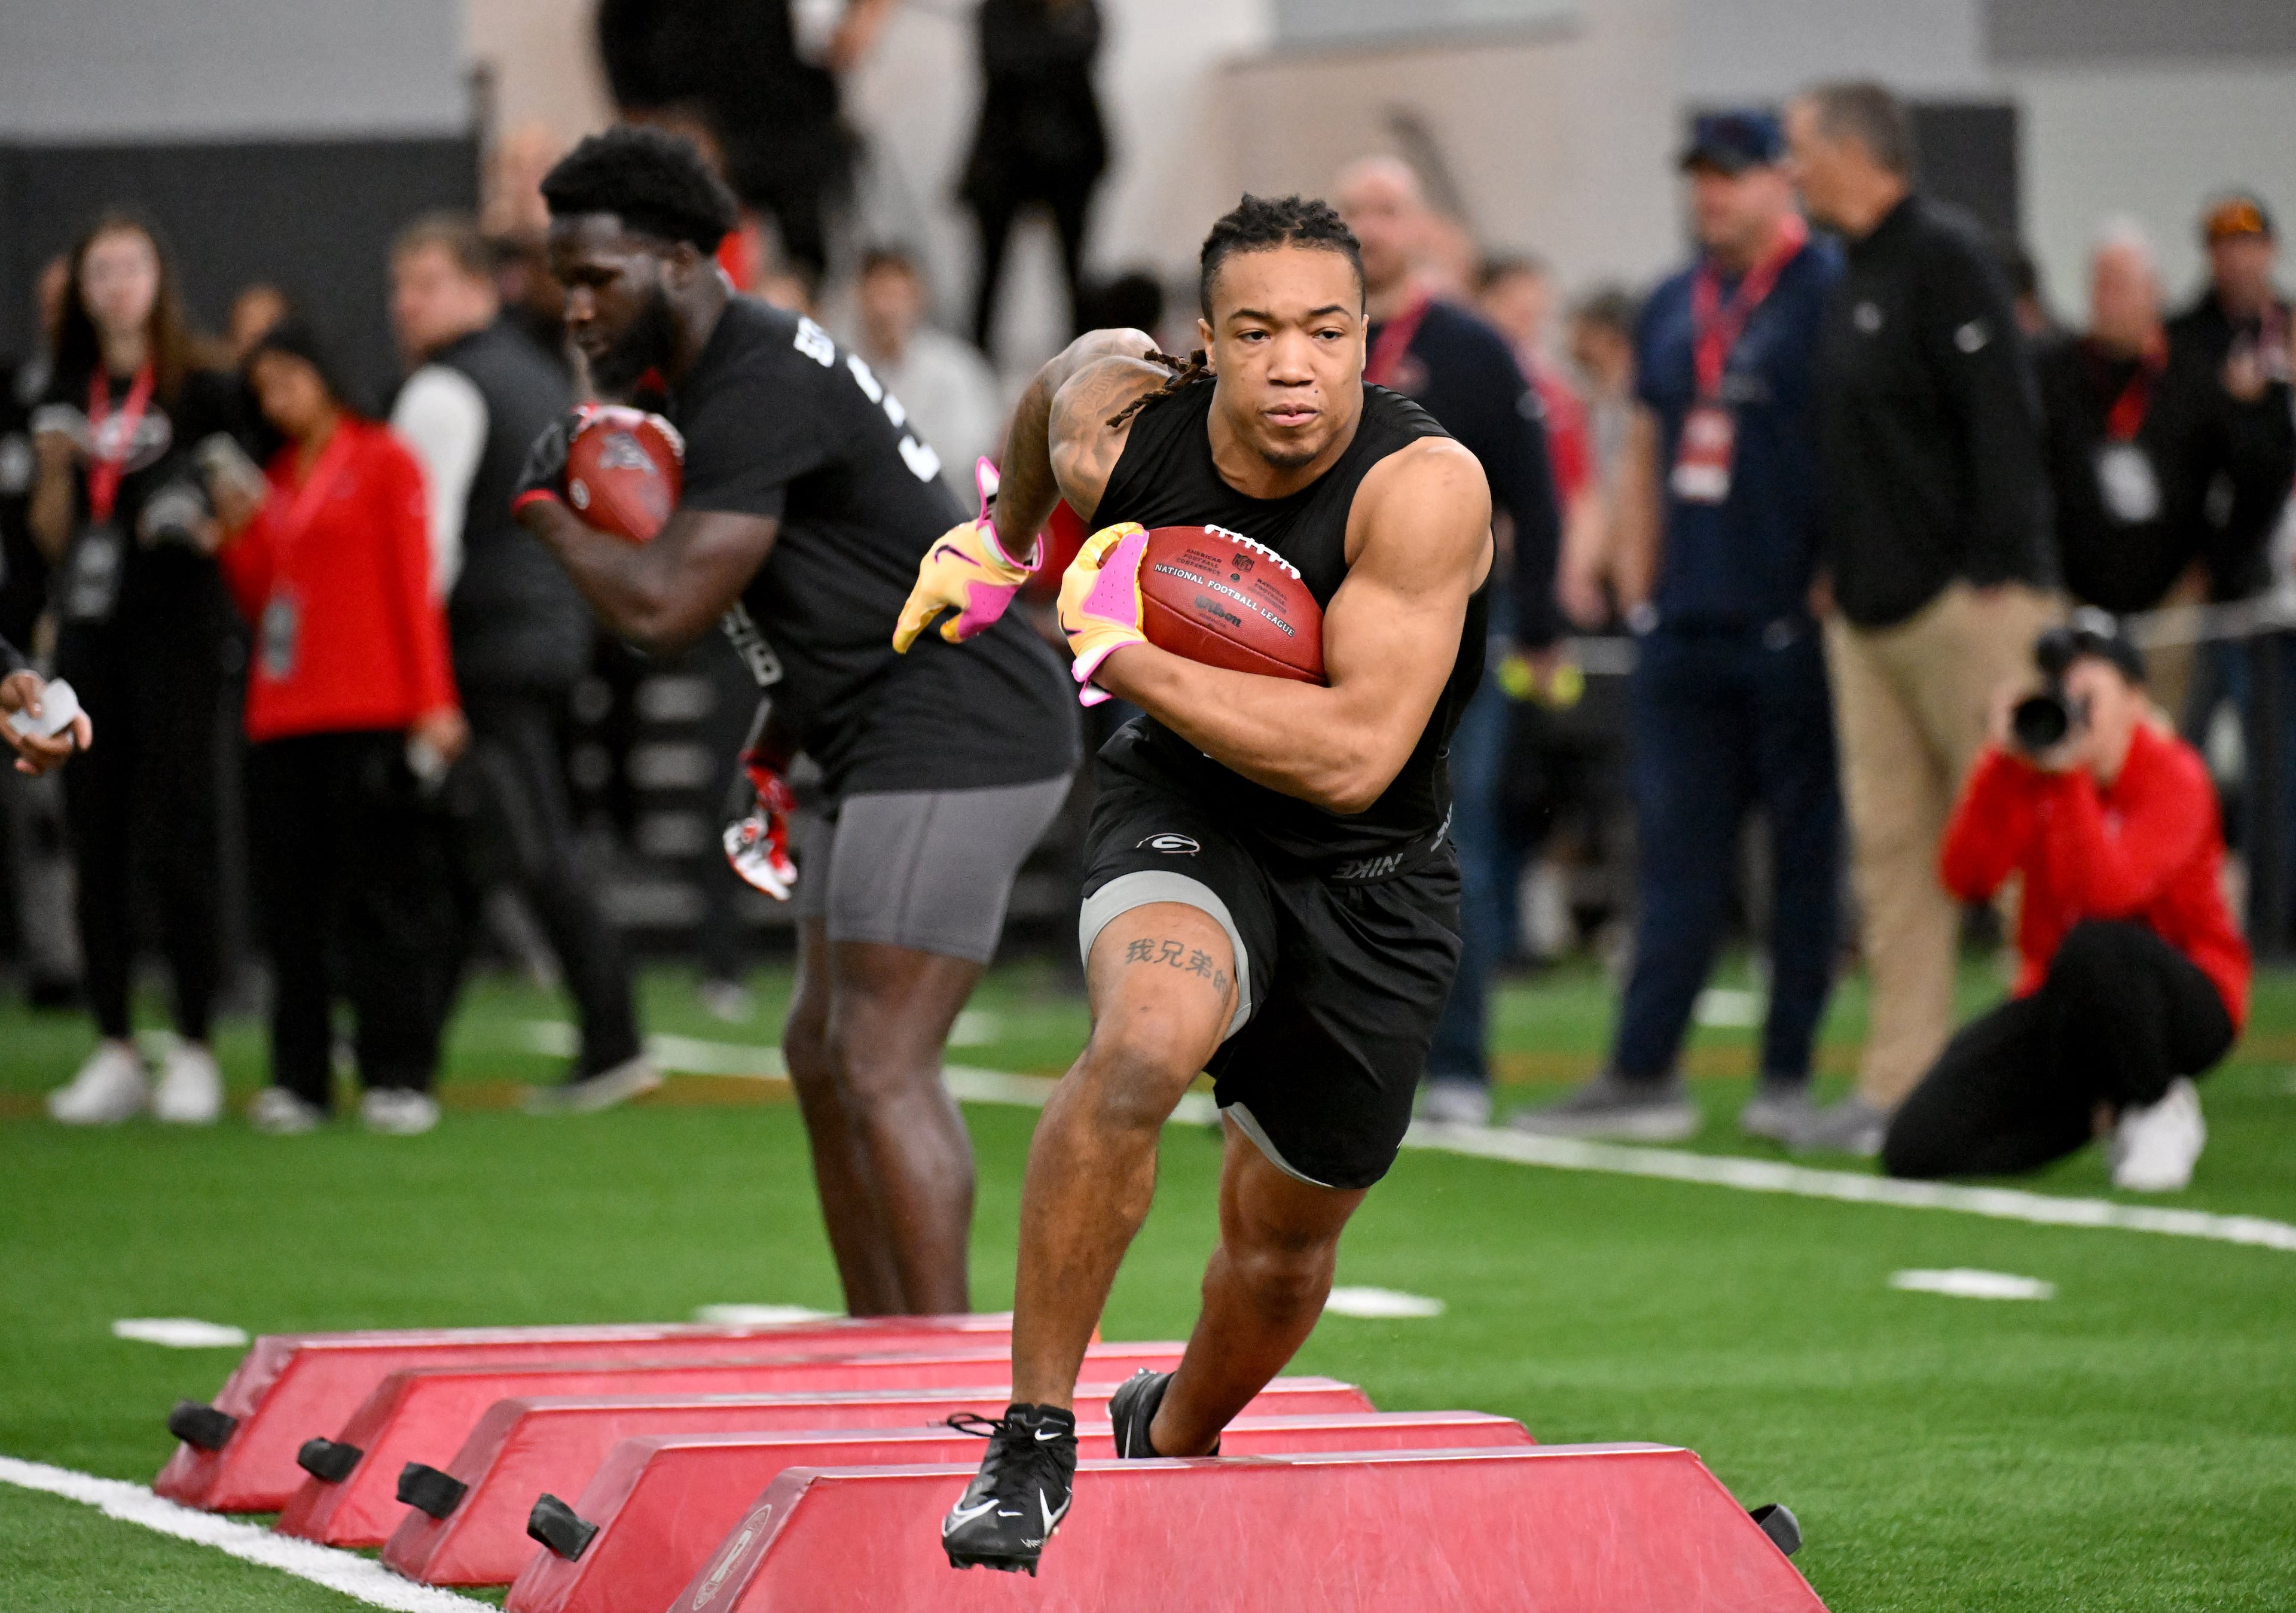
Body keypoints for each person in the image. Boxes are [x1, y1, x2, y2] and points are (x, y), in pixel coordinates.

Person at [907, 193, 1490, 1574]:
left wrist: (1128, 652)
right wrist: (1003, 540)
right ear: (1203, 345)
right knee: (1141, 1046)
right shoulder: (1131, 430)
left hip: (1371, 872)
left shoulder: (1424, 487)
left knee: (1282, 1251)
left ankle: (1165, 1428)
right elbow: (1053, 392)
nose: (1295, 363)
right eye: (1258, 330)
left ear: (1366, 339)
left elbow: (1353, 759)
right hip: (1188, 811)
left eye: (1327, 331)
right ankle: (1030, 1435)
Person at [515, 127, 1077, 1313]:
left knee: (879, 1057)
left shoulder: (754, 372)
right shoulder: (728, 370)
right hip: (884, 724)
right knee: (821, 1052)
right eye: (560, 281)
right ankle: (883, 1347)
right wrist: (777, 736)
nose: (573, 308)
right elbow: (842, 578)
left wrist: (548, 511)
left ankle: (939, 1375)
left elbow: (665, 604)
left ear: (677, 259)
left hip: (958, 724)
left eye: (596, 279)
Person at [1514, 111, 1842, 1145]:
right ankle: (1643, 1070)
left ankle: (1787, 1076)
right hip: (1686, 625)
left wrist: (1833, 580)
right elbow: (1646, 438)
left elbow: (1858, 439)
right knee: (1675, 858)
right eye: (1701, 175)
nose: (1711, 194)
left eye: (1732, 176)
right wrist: (1640, 585)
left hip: (1793, 622)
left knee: (1802, 861)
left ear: (1780, 181)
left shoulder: (1824, 288)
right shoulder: (1671, 299)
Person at [1784, 81, 2057, 1155]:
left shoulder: (1945, 254)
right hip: (1869, 616)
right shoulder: (1851, 269)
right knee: (1895, 860)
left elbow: (2004, 417)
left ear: (1856, 151)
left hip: (1969, 606)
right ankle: (1903, 1085)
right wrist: (1835, 571)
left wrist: (1997, 568)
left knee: (2035, 848)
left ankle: (2072, 1080)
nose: (1793, 169)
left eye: (1802, 148)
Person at [387, 212, 655, 1113]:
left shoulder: (445, 389)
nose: (404, 305)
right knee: (477, 849)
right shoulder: (539, 375)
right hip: (549, 632)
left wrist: (413, 670)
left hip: (482, 647)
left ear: (472, 286)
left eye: (422, 284)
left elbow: (423, 550)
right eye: (400, 286)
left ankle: (613, 1035)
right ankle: (409, 1046)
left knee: (525, 843)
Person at [1334, 155, 1561, 1129]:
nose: (1371, 228)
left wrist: (1544, 623)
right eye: (1353, 213)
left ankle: (1459, 1065)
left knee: (1449, 840)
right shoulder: (1311, 344)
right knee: (1316, 848)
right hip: (1324, 637)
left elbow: (1537, 496)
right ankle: (1318, 1066)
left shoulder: (1472, 347)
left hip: (1460, 634)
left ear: (1420, 227)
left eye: (1387, 211)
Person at [205, 322, 465, 1135]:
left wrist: (434, 699)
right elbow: (261, 601)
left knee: (382, 903)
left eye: (288, 379)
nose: (277, 399)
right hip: (284, 714)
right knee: (293, 911)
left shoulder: (383, 458)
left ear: (324, 375)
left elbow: (412, 584)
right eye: (265, 388)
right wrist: (237, 534)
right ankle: (301, 1076)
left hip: (371, 710)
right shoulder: (276, 478)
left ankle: (398, 1072)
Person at [1882, 614, 2245, 1192]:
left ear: (2134, 698)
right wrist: (2001, 764)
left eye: (2088, 696)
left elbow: (2108, 895)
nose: (2073, 711)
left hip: (2186, 998)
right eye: (2062, 695)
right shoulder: (2037, 773)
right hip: (2066, 998)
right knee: (1914, 1146)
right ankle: (2100, 1109)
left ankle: (2155, 1100)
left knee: (2098, 945)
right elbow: (1966, 876)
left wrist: (2068, 777)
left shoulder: (2176, 774)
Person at [29, 212, 245, 1127]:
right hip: (88, 637)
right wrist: (52, 471)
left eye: (132, 267)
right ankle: (116, 1042)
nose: (117, 284)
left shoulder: (204, 385)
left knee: (182, 831)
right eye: (100, 270)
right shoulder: (59, 387)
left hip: (179, 638)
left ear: (161, 278)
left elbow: (245, 508)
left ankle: (194, 1041)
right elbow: (48, 538)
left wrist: (212, 519)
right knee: (96, 837)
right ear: (80, 287)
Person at [2037, 222, 2294, 617]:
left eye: (2121, 286)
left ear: (2153, 290)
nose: (2108, 301)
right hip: (2076, 597)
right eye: (2100, 286)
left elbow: (2255, 475)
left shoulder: (2192, 373)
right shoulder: (2056, 373)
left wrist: (2219, 563)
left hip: (2172, 599)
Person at [595, 0, 892, 280]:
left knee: (809, 276)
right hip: (704, 148)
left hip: (798, 135)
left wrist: (863, 19)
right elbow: (617, 35)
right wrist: (660, 125)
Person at [963, 0, 1107, 356]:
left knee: (1076, 276)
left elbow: (1086, 51)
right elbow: (1003, 64)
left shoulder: (1077, 9)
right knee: (989, 277)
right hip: (1004, 157)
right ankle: (978, 366)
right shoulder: (999, 11)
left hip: (1072, 153)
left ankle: (1088, 366)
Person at [1477, 255, 1603, 629]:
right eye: (1515, 312)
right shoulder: (1465, 388)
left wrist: (1573, 572)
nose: (1524, 327)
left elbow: (1581, 492)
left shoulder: (1556, 396)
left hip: (1534, 574)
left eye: (1534, 315)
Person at [850, 247, 1004, 508]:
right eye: (877, 294)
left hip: (946, 518)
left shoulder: (957, 368)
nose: (885, 309)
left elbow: (970, 458)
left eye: (895, 296)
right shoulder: (846, 368)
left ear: (919, 299)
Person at [2167, 194, 2289, 381]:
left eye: (2247, 244)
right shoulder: (2179, 339)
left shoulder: (2289, 326)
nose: (2237, 259)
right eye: (2226, 247)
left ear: (2271, 247)